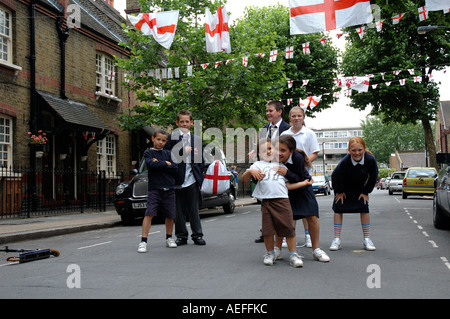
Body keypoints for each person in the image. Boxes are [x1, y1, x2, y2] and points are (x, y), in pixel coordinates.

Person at [242, 138, 306, 267]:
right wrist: (250, 171)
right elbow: (244, 179)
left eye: (271, 148)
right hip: (267, 202)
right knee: (268, 230)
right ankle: (270, 253)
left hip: (282, 200)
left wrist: (303, 183)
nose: (269, 151)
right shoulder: (257, 165)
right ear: (259, 154)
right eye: (265, 150)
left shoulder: (281, 165)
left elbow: (289, 183)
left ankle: (293, 254)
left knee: (288, 228)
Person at [274, 135, 330, 262]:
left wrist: (286, 173)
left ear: (291, 151)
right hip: (286, 192)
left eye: (283, 150)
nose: (279, 153)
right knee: (282, 221)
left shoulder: (298, 158)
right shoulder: (273, 159)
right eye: (277, 149)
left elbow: (300, 178)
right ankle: (277, 250)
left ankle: (316, 250)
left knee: (312, 217)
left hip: (303, 189)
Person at [165, 110, 207, 246]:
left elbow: (202, 161)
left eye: (187, 121)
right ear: (177, 123)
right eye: (181, 121)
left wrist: (200, 174)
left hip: (193, 179)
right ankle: (181, 236)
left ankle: (197, 235)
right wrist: (183, 151)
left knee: (194, 209)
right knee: (178, 210)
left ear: (191, 123)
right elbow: (167, 157)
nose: (184, 124)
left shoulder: (197, 140)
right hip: (177, 179)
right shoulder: (171, 138)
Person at [330, 137, 378, 251]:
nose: (357, 153)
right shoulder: (345, 162)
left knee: (364, 209)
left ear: (364, 149)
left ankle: (367, 239)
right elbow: (335, 177)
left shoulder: (370, 160)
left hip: (360, 188)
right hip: (343, 188)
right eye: (353, 150)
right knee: (338, 209)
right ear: (349, 150)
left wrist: (366, 192)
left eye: (360, 150)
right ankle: (337, 239)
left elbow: (373, 177)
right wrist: (340, 192)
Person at [281, 106, 320, 248]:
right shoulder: (285, 134)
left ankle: (308, 236)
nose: (296, 118)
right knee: (290, 210)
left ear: (303, 117)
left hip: (303, 174)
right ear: (289, 118)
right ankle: (288, 236)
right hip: (288, 175)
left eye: (299, 116)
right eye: (293, 116)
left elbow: (315, 152)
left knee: (307, 210)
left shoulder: (309, 133)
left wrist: (304, 161)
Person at [254, 100, 291, 243]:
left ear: (280, 111)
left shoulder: (288, 129)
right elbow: (263, 147)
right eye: (267, 111)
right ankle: (267, 232)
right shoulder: (264, 129)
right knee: (266, 205)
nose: (268, 113)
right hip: (267, 170)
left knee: (285, 207)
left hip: (282, 169)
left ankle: (287, 236)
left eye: (271, 111)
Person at [138, 129, 178, 253]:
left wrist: (160, 164)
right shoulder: (148, 153)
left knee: (170, 215)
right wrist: (165, 164)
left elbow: (175, 168)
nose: (160, 142)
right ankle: (143, 241)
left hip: (169, 188)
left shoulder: (169, 153)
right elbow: (150, 165)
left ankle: (169, 238)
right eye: (158, 139)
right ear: (153, 139)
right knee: (149, 213)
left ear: (166, 142)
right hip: (154, 188)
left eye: (163, 140)